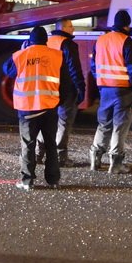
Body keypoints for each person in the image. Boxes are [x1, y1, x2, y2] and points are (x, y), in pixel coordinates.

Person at [2, 27, 66, 191]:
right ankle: (53, 180)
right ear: (46, 40)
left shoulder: (21, 55)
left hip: (28, 109)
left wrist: (23, 50)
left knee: (28, 144)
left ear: (30, 40)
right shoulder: (57, 56)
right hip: (49, 107)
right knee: (51, 144)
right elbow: (65, 81)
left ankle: (27, 181)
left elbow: (7, 70)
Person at [90, 9, 132, 174]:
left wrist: (100, 83)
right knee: (120, 126)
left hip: (105, 89)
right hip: (123, 91)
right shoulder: (126, 41)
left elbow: (93, 66)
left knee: (104, 124)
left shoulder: (100, 40)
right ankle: (116, 163)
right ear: (127, 25)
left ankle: (95, 158)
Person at [37, 19, 86, 166]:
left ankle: (38, 153)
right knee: (63, 122)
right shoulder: (68, 44)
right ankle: (60, 156)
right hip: (65, 89)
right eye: (70, 26)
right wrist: (81, 88)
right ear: (63, 28)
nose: (73, 28)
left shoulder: (48, 41)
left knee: (44, 121)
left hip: (46, 87)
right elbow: (74, 69)